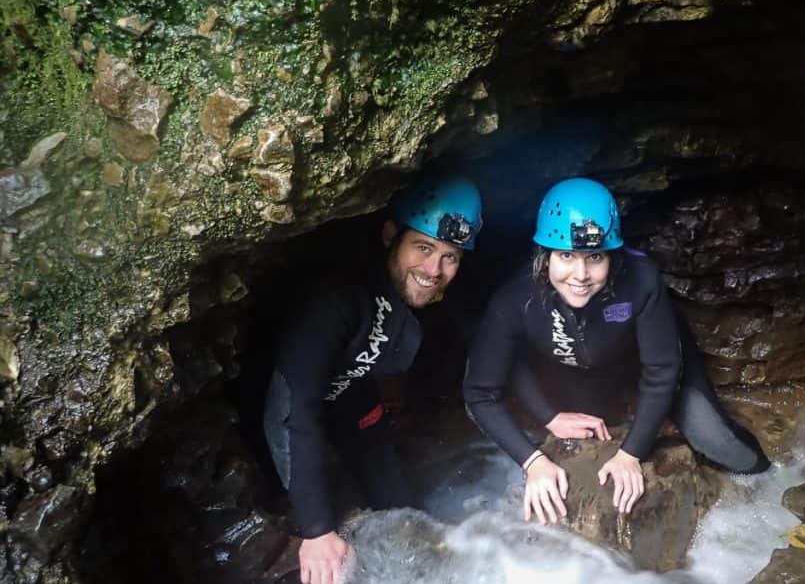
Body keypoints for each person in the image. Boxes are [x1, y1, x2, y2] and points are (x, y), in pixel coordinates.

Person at [463, 177, 769, 525]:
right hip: (572, 364)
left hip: (647, 359)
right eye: (566, 256)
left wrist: (631, 454)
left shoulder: (641, 280)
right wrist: (537, 445)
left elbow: (663, 369)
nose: (580, 275)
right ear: (545, 256)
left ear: (613, 256)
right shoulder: (515, 296)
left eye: (595, 257)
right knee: (584, 433)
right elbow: (480, 393)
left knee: (726, 448)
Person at [264, 174, 482, 584]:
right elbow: (290, 408)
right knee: (316, 555)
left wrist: (390, 391)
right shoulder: (337, 298)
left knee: (409, 520)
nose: (434, 269)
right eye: (423, 247)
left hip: (351, 400)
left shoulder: (409, 293)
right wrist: (317, 530)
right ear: (390, 235)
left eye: (450, 256)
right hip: (281, 420)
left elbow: (394, 347)